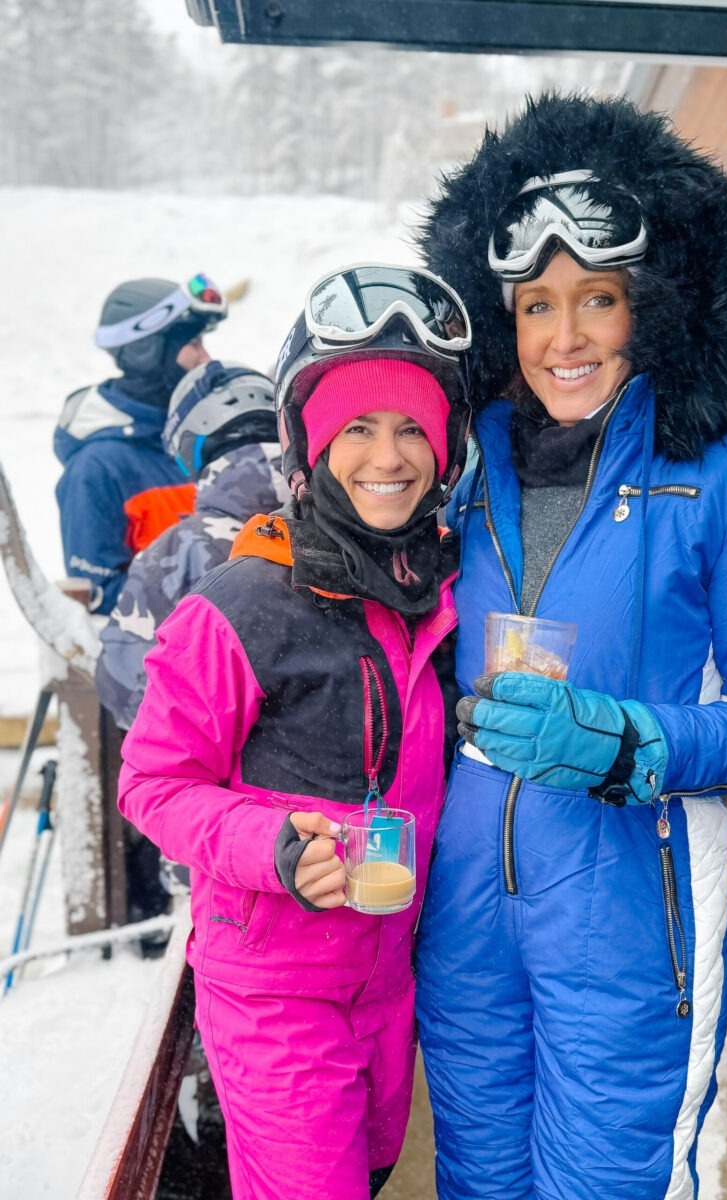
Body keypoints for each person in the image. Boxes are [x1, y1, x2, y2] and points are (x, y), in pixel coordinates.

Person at [412, 93, 727, 1200]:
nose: (564, 339)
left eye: (597, 300)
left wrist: (625, 743)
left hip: (628, 907)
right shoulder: (463, 475)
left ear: (654, 305)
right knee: (478, 1177)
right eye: (536, 305)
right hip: (464, 915)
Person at [118, 263, 472, 1200]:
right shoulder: (239, 606)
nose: (387, 455)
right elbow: (151, 782)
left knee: (374, 1169)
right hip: (274, 991)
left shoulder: (431, 597)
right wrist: (270, 846)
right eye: (356, 426)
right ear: (307, 446)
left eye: (411, 428)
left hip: (388, 976)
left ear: (447, 447)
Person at [96, 359, 291, 731]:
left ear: (192, 447)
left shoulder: (177, 550)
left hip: (210, 773)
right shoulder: (342, 520)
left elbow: (121, 683)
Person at [54, 273, 227, 614]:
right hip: (176, 657)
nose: (205, 357)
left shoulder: (202, 435)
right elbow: (103, 598)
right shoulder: (98, 467)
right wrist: (212, 612)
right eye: (193, 343)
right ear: (148, 351)